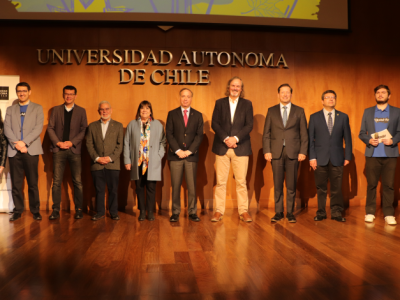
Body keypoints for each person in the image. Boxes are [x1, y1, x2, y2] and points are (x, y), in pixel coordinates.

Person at [263, 83, 308, 223]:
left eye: (287, 92)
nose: (285, 95)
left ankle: (290, 212)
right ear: (278, 94)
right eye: (282, 92)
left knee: (291, 184)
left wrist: (303, 151)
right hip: (275, 152)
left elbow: (304, 134)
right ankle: (278, 212)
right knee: (277, 185)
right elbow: (266, 133)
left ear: (291, 94)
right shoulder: (271, 111)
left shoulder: (299, 111)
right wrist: (267, 150)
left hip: (293, 152)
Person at [211, 76, 253, 222]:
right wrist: (226, 139)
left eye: (238, 86)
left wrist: (235, 138)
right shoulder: (219, 103)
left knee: (241, 182)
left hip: (240, 147)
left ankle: (244, 211)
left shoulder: (247, 104)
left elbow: (249, 125)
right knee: (221, 182)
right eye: (233, 86)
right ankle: (218, 211)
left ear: (241, 89)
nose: (235, 88)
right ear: (229, 87)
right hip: (222, 147)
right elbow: (215, 123)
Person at [359, 85, 400, 225]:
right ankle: (370, 212)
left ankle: (388, 213)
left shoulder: (396, 112)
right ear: (375, 95)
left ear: (389, 96)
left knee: (389, 185)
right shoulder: (368, 112)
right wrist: (368, 140)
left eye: (383, 92)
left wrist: (393, 140)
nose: (380, 94)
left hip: (390, 154)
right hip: (372, 154)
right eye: (378, 92)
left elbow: (399, 132)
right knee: (371, 185)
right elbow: (361, 133)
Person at [309, 90, 352, 222]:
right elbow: (310, 139)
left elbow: (348, 139)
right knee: (321, 188)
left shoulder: (343, 117)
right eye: (327, 97)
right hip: (319, 158)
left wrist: (348, 156)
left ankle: (336, 212)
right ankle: (321, 212)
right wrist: (312, 157)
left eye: (333, 97)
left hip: (338, 157)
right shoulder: (314, 117)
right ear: (322, 101)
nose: (330, 99)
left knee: (336, 187)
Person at [4, 82, 44, 221]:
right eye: (19, 91)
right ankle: (18, 210)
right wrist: (17, 145)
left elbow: (38, 128)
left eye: (24, 91)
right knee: (16, 183)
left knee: (33, 183)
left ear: (29, 92)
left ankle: (35, 210)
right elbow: (7, 129)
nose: (22, 93)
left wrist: (24, 142)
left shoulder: (37, 108)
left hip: (31, 150)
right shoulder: (10, 109)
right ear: (17, 93)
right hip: (15, 151)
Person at [47, 85, 88, 220]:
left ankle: (79, 209)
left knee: (77, 181)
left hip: (74, 150)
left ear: (76, 96)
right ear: (63, 95)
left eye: (71, 94)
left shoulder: (81, 111)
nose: (68, 96)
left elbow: (83, 130)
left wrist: (72, 142)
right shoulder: (56, 110)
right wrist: (58, 143)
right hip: (58, 149)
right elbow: (50, 128)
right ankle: (56, 210)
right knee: (57, 181)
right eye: (66, 94)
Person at [124, 101, 166, 221]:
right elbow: (126, 143)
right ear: (139, 111)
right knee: (139, 187)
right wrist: (127, 160)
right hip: (137, 161)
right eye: (142, 108)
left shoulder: (157, 124)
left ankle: (150, 212)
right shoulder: (132, 124)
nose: (144, 110)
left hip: (152, 161)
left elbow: (163, 142)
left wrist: (159, 155)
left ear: (151, 111)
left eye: (147, 108)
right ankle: (142, 211)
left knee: (151, 188)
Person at [166, 88, 204, 222]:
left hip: (191, 155)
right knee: (175, 185)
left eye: (188, 96)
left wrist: (189, 151)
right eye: (183, 96)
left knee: (192, 185)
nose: (185, 99)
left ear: (191, 98)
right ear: (180, 98)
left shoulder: (198, 115)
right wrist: (178, 151)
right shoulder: (172, 114)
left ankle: (192, 211)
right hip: (175, 155)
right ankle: (175, 212)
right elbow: (169, 134)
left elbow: (199, 136)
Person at [86, 101, 124, 221]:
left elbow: (120, 145)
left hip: (113, 164)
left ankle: (113, 212)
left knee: (113, 190)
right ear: (99, 111)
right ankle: (100, 212)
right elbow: (89, 144)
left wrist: (110, 158)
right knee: (99, 190)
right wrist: (97, 158)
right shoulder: (92, 126)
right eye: (102, 109)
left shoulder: (118, 126)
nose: (105, 111)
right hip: (97, 164)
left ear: (111, 110)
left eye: (107, 109)